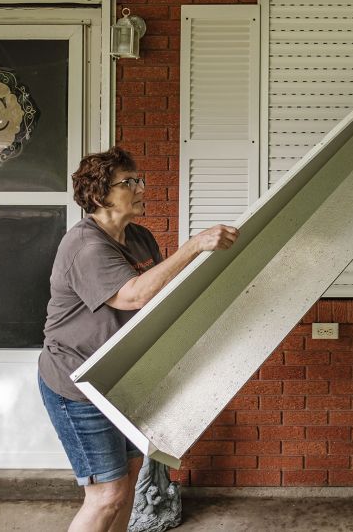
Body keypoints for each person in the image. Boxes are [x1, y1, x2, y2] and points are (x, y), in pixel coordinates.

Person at [37, 146, 238, 532]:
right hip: (76, 385)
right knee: (106, 495)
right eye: (130, 182)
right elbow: (132, 295)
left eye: (139, 179)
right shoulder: (84, 246)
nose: (142, 188)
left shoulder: (139, 238)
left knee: (128, 483)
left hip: (119, 380)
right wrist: (195, 245)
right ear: (99, 195)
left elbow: (161, 293)